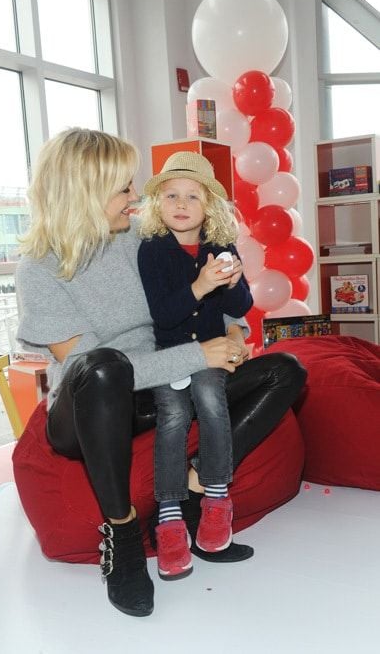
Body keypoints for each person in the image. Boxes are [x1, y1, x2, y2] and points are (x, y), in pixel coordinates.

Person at [15, 127, 307, 619]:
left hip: (163, 382)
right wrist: (199, 357)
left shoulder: (143, 238)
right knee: (103, 367)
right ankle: (124, 534)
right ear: (85, 192)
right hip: (94, 406)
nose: (135, 197)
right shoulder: (39, 269)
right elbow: (87, 366)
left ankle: (198, 485)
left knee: (287, 371)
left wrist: (233, 333)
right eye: (124, 188)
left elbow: (206, 287)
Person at [138, 152, 254, 580]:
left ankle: (217, 499)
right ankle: (169, 517)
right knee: (172, 414)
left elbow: (241, 306)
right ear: (158, 204)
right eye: (171, 195)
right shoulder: (152, 251)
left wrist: (234, 282)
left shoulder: (219, 247)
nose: (181, 204)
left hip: (210, 349)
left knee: (209, 397)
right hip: (170, 354)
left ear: (209, 207)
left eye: (192, 196)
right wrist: (201, 284)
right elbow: (164, 315)